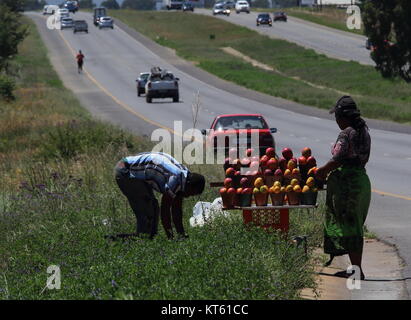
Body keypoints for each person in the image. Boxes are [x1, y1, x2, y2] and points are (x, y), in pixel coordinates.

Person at [316, 96, 371, 280]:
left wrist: (322, 171)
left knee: (350, 226)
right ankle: (356, 269)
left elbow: (337, 158)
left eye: (337, 117)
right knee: (354, 226)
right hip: (361, 182)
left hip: (348, 185)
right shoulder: (364, 130)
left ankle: (357, 271)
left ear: (343, 117)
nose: (336, 121)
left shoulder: (346, 133)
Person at [114, 152, 205, 240]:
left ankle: (147, 239)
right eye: (191, 193)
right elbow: (165, 209)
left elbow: (176, 210)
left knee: (153, 208)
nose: (188, 196)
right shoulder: (176, 178)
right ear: (189, 184)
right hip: (125, 171)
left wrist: (181, 234)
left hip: (136, 173)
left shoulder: (184, 179)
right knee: (147, 210)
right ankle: (134, 241)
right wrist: (170, 237)